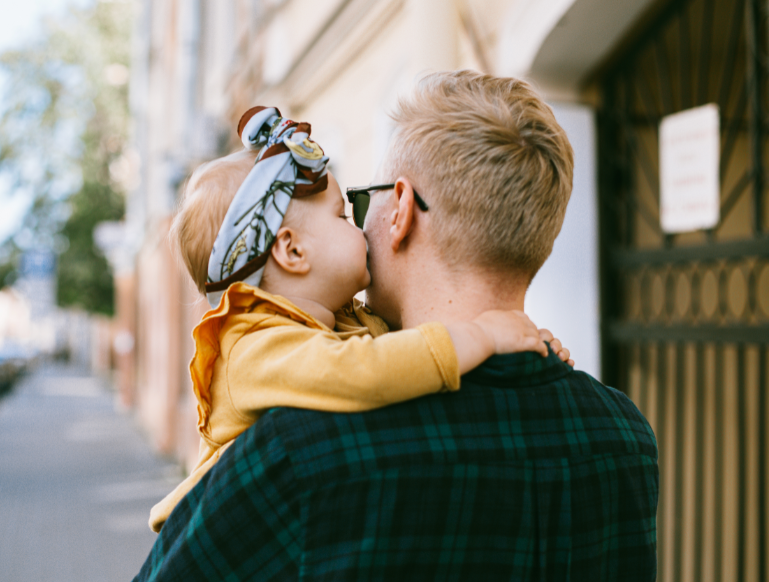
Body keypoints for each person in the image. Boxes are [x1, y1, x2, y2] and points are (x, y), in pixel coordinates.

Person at [134, 71, 657, 582]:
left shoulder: (300, 449)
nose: (358, 226)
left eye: (359, 205)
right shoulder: (624, 434)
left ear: (401, 210)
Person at [147, 105, 573, 533]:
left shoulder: (340, 323)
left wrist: (519, 340)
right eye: (342, 216)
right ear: (292, 252)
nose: (362, 229)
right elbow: (369, 371)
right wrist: (483, 335)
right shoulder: (255, 347)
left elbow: (401, 351)